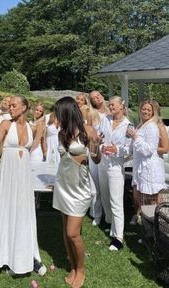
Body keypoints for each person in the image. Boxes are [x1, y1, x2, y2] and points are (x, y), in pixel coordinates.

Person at [0, 96, 46, 275]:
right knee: (8, 209)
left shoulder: (32, 127)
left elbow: (35, 145)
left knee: (25, 211)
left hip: (24, 174)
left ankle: (28, 255)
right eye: (10, 105)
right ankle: (7, 257)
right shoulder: (6, 124)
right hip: (9, 173)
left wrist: (41, 129)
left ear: (24, 107)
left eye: (14, 105)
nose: (10, 108)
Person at [52, 96, 100, 288]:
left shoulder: (88, 131)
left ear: (67, 112)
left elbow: (96, 160)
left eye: (59, 113)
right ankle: (72, 266)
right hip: (63, 185)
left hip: (79, 189)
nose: (56, 117)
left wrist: (95, 146)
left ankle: (81, 270)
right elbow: (63, 162)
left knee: (73, 233)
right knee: (66, 231)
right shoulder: (61, 133)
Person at [98, 96, 131, 251]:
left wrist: (117, 150)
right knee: (104, 195)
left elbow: (130, 149)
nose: (110, 107)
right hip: (103, 162)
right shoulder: (106, 119)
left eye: (112, 105)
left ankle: (118, 237)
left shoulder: (128, 125)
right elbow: (100, 136)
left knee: (116, 201)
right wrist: (100, 143)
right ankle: (111, 224)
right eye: (109, 105)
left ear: (121, 106)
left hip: (116, 166)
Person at [127, 100, 167, 223]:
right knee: (145, 201)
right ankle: (149, 230)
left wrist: (136, 138)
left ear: (153, 112)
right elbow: (136, 147)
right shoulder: (141, 124)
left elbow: (149, 150)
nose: (145, 111)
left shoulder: (152, 126)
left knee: (152, 201)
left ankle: (157, 229)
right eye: (143, 109)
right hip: (141, 168)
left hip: (150, 168)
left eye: (148, 110)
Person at [87, 90, 110, 226]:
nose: (97, 98)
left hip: (109, 151)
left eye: (98, 95)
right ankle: (96, 214)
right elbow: (88, 131)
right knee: (95, 185)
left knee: (107, 185)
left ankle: (109, 216)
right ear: (92, 101)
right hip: (96, 150)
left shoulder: (111, 111)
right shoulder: (91, 114)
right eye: (94, 98)